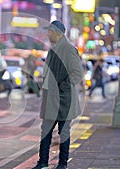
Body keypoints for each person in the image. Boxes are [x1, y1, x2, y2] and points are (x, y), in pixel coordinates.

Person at [32, 20, 84, 169]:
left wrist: (63, 87)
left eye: (49, 31)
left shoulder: (68, 48)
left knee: (64, 132)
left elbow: (77, 73)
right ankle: (42, 163)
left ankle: (62, 165)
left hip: (63, 100)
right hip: (51, 99)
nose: (47, 34)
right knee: (46, 131)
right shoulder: (53, 48)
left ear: (56, 32)